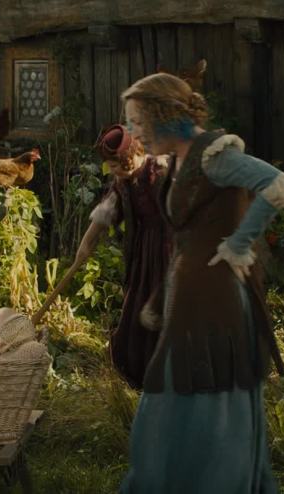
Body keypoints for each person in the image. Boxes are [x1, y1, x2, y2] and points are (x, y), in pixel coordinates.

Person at [119, 73, 284, 493]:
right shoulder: (181, 160)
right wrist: (160, 298)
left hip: (217, 304)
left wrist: (239, 243)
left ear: (164, 115)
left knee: (211, 403)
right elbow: (188, 239)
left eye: (138, 121)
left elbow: (281, 186)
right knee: (172, 401)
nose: (132, 132)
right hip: (190, 300)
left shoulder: (215, 157)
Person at [70, 124, 170, 389]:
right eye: (110, 166)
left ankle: (173, 372)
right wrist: (84, 249)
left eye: (116, 165)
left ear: (132, 156)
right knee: (138, 304)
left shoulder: (159, 170)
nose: (113, 170)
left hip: (171, 248)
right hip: (144, 251)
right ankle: (141, 370)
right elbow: (102, 217)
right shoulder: (122, 185)